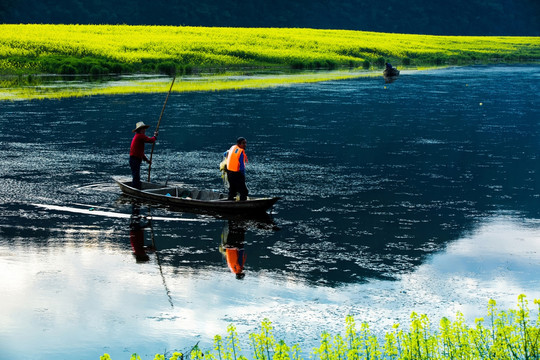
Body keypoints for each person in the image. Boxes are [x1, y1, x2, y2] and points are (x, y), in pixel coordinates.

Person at [130, 121, 158, 189]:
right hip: (134, 159)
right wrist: (155, 136)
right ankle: (135, 189)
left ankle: (136, 188)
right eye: (143, 129)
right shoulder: (139, 136)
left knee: (136, 175)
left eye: (144, 128)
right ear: (140, 130)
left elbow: (140, 153)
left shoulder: (139, 137)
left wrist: (146, 160)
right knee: (136, 176)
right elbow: (150, 140)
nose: (144, 130)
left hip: (135, 159)